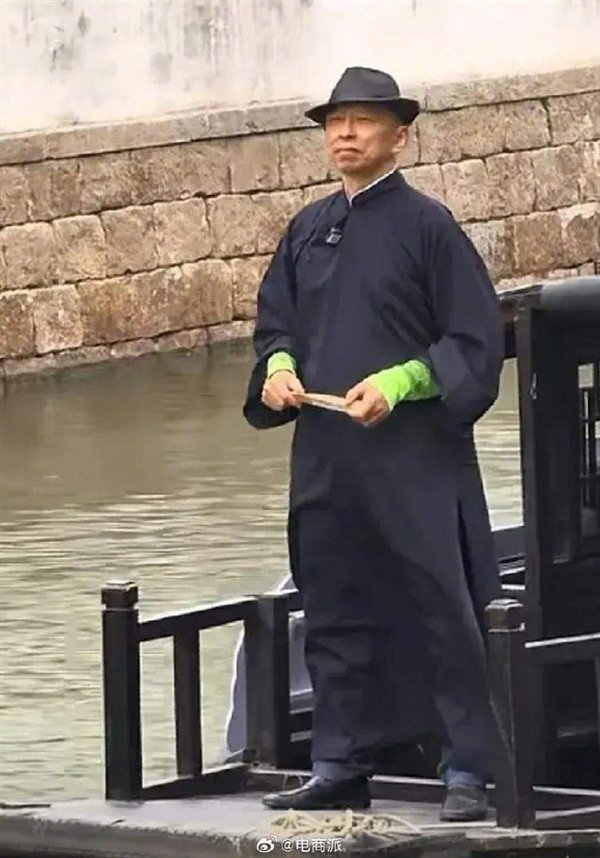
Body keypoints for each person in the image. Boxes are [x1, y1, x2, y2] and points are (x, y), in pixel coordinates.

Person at [243, 66, 504, 822]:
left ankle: (466, 769)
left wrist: (404, 380)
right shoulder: (307, 228)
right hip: (327, 456)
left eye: (362, 120)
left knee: (440, 607)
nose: (345, 133)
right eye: (335, 122)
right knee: (333, 606)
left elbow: (475, 339)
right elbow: (276, 323)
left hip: (413, 458)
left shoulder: (430, 227)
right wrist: (279, 368)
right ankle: (339, 762)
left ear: (400, 136)